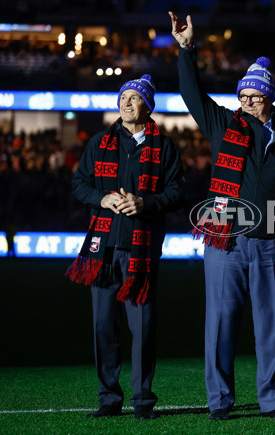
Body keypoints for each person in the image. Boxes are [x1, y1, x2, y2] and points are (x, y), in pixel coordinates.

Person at [169, 12, 275, 421]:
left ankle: (272, 402)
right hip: (226, 241)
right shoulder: (222, 124)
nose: (246, 101)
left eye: (254, 96)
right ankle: (220, 402)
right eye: (242, 95)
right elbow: (191, 93)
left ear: (269, 97)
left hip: (273, 245)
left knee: (273, 328)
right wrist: (186, 49)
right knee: (219, 325)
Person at [65, 74, 186, 420]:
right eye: (124, 97)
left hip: (141, 252)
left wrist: (145, 204)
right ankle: (109, 398)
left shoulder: (165, 147)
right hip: (101, 253)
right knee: (104, 327)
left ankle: (143, 400)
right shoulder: (100, 142)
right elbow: (79, 183)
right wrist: (101, 198)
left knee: (144, 328)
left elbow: (177, 192)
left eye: (135, 98)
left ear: (148, 106)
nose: (127, 103)